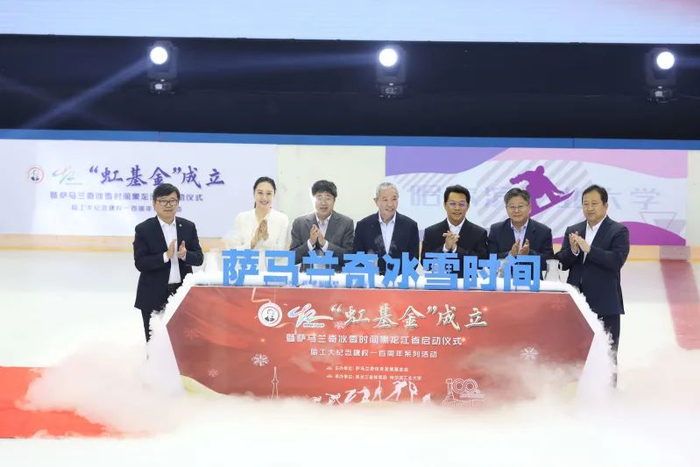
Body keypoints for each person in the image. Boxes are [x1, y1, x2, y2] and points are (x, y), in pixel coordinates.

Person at [556, 184, 630, 386]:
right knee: (574, 349)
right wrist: (574, 251)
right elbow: (562, 262)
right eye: (585, 204)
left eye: (594, 203)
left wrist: (589, 249)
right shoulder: (574, 230)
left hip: (605, 301)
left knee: (608, 351)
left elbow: (616, 261)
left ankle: (608, 392)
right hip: (577, 302)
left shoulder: (618, 231)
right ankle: (574, 389)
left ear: (605, 205)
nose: (589, 208)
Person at [133, 183, 203, 342]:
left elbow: (199, 258)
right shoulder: (144, 229)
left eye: (173, 201)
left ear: (178, 203)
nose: (169, 205)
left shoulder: (188, 227)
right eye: (163, 201)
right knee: (154, 342)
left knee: (182, 340)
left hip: (181, 293)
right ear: (154, 203)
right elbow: (140, 263)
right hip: (153, 294)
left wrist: (185, 255)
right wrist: (165, 256)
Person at [223, 177, 290, 270]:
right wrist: (253, 242)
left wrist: (266, 238)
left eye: (269, 193)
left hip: (270, 274)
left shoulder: (282, 219)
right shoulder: (241, 218)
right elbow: (234, 252)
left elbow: (280, 255)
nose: (264, 198)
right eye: (260, 193)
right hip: (245, 272)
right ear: (254, 193)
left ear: (274, 195)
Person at [354, 182, 419, 275]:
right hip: (372, 280)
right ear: (376, 201)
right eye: (385, 200)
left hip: (400, 280)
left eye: (394, 199)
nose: (390, 204)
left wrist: (397, 277)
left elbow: (413, 258)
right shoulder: (363, 226)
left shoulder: (410, 226)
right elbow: (358, 257)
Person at [422, 185, 488, 275]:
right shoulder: (431, 232)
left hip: (467, 282)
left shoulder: (479, 233)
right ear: (445, 205)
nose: (457, 208)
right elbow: (425, 263)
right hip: (440, 281)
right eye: (452, 204)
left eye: (461, 204)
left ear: (468, 206)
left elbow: (481, 263)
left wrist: (456, 249)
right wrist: (445, 248)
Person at [289, 180, 354, 271]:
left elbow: (349, 258)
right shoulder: (299, 223)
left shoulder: (346, 223)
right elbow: (292, 258)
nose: (323, 203)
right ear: (312, 199)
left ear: (334, 200)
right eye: (319, 198)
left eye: (328, 198)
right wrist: (310, 243)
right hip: (308, 278)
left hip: (335, 277)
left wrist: (325, 244)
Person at [488, 188, 554, 272]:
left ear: (529, 208)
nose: (516, 211)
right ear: (506, 209)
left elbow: (549, 263)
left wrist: (529, 253)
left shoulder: (543, 231)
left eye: (520, 206)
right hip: (505, 278)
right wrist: (510, 254)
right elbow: (490, 259)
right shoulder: (496, 230)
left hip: (531, 279)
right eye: (512, 207)